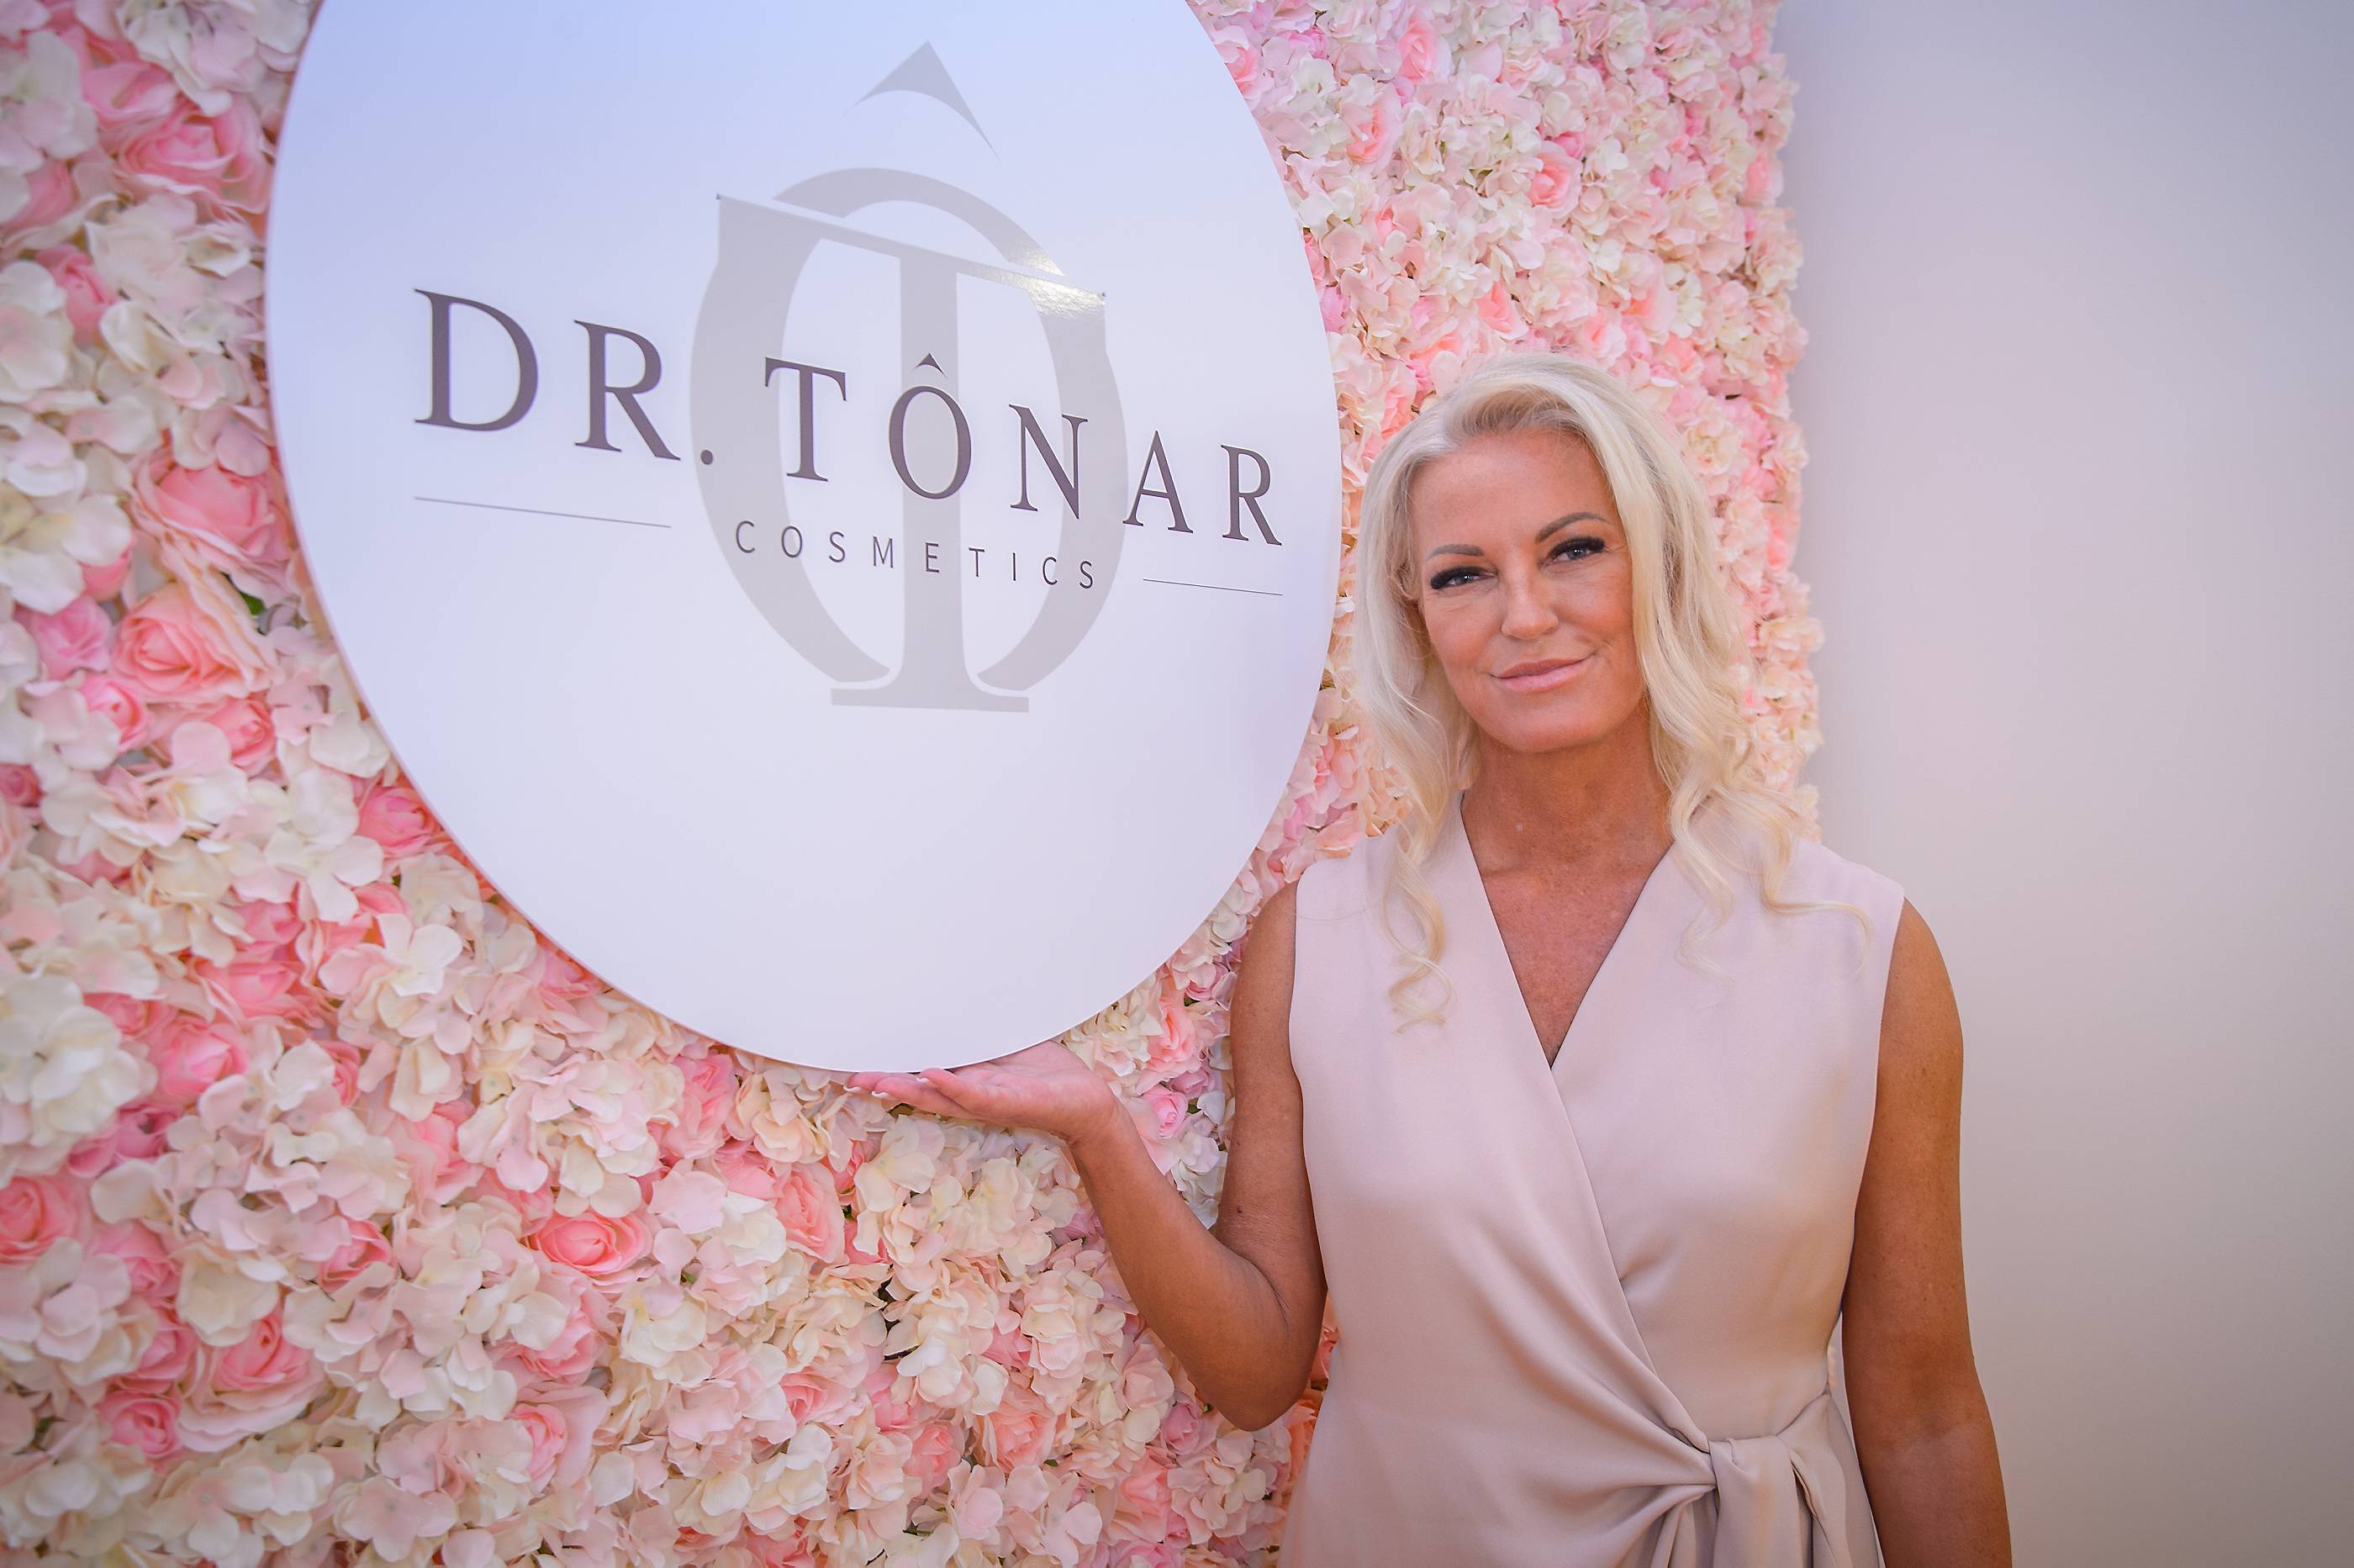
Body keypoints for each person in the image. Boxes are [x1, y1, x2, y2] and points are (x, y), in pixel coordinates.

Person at [847, 350, 2011, 1566]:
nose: (1525, 614)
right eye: (1464, 574)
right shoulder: (1320, 940)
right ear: (1417, 617)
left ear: (1662, 564)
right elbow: (1257, 1372)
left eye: (1574, 549)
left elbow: (1926, 1415)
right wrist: (1097, 1128)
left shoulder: (1861, 950)